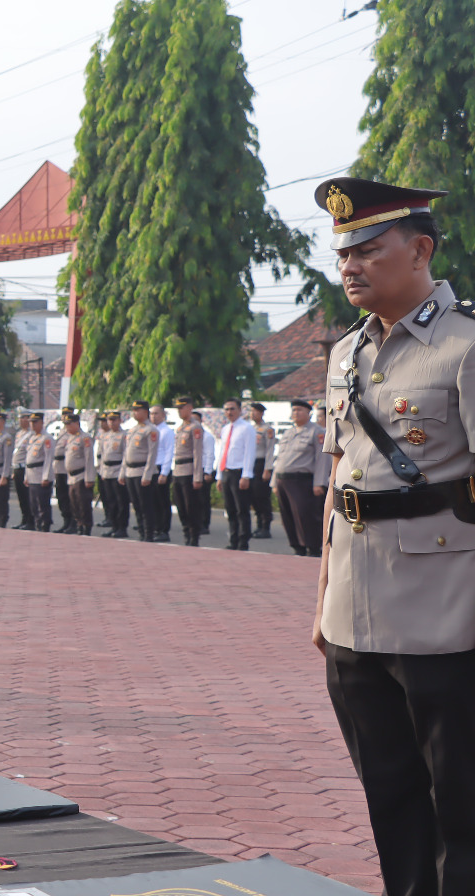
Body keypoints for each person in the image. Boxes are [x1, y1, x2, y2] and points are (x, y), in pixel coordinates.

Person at [310, 177, 475, 896]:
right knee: (390, 795)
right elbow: (341, 477)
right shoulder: (347, 353)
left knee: (461, 806)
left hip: (447, 612)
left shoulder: (466, 345)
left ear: (420, 250)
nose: (350, 266)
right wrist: (321, 603)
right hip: (355, 611)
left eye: (368, 251)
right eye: (343, 254)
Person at [272, 398, 325, 557]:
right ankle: (297, 546)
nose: (296, 413)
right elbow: (280, 458)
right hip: (283, 479)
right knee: (287, 516)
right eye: (294, 410)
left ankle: (313, 547)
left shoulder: (317, 432)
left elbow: (322, 459)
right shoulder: (288, 432)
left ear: (309, 413)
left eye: (299, 410)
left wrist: (319, 483)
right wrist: (274, 482)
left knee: (306, 515)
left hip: (302, 480)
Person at [215, 397, 256, 550]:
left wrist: (246, 475)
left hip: (239, 473)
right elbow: (222, 452)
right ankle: (233, 539)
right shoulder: (226, 429)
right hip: (226, 472)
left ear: (240, 410)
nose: (229, 412)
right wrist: (219, 476)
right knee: (230, 509)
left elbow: (249, 453)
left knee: (241, 509)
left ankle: (243, 540)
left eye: (232, 409)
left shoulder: (247, 428)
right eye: (226, 409)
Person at [170, 397, 207, 547]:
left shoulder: (195, 427)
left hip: (189, 471)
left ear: (190, 408)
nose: (179, 411)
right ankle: (186, 532)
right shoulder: (180, 428)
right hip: (178, 471)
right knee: (180, 505)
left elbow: (198, 453)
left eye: (182, 407)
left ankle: (194, 536)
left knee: (191, 506)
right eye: (178, 408)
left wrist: (197, 476)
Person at [122, 400, 158, 541]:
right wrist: (123, 472)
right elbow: (126, 453)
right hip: (131, 471)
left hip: (143, 471)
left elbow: (152, 454)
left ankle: (149, 533)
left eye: (138, 410)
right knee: (136, 505)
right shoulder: (132, 430)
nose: (135, 413)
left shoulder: (151, 430)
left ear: (145, 411)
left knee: (146, 505)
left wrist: (147, 475)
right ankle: (141, 532)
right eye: (133, 410)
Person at [62, 412, 96, 535]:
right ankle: (79, 525)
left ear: (77, 423)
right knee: (74, 504)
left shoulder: (84, 438)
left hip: (81, 476)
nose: (67, 427)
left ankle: (86, 527)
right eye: (66, 425)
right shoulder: (70, 438)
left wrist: (89, 478)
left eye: (69, 424)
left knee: (83, 504)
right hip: (71, 477)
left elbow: (89, 459)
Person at [99, 411, 131, 538]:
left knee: (121, 501)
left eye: (114, 420)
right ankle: (113, 526)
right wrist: (101, 471)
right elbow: (102, 455)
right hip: (107, 471)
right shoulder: (105, 436)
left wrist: (122, 473)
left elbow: (125, 455)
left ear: (120, 421)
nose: (111, 422)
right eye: (109, 420)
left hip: (118, 470)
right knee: (110, 501)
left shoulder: (124, 435)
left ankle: (122, 528)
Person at [248, 401, 277, 539]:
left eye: (255, 411)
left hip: (261, 465)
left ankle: (266, 526)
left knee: (262, 496)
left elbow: (270, 450)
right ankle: (259, 525)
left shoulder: (268, 429)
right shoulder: (250, 428)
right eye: (251, 411)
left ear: (261, 413)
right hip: (251, 465)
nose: (252, 414)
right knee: (253, 496)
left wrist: (268, 469)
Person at [23, 412, 55, 532]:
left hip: (41, 475)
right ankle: (37, 524)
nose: (32, 425)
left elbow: (48, 459)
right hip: (32, 476)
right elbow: (28, 459)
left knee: (43, 504)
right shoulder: (32, 438)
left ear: (42, 422)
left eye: (35, 422)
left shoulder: (47, 438)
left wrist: (46, 477)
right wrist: (26, 476)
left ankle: (44, 526)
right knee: (34, 505)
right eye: (31, 422)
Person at [149, 404, 175, 542]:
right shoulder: (150, 430)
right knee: (152, 501)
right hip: (150, 468)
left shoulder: (167, 431)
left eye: (156, 413)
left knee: (162, 502)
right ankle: (155, 528)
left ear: (163, 415)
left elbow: (168, 453)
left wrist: (164, 473)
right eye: (151, 413)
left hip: (160, 468)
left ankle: (164, 530)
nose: (153, 416)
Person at [53, 406, 76, 533]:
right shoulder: (62, 431)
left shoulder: (74, 433)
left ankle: (73, 523)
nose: (65, 416)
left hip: (67, 469)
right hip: (58, 468)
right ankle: (66, 521)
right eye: (63, 414)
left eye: (68, 414)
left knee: (69, 498)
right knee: (61, 497)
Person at [11, 410, 34, 529]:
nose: (20, 420)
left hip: (25, 469)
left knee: (27, 496)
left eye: (23, 418)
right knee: (20, 496)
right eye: (20, 418)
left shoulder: (31, 434)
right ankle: (24, 519)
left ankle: (30, 521)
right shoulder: (19, 434)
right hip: (17, 468)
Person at [196, 410, 215, 534]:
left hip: (203, 469)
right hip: (192, 469)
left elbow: (209, 455)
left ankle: (204, 524)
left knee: (203, 499)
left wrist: (208, 472)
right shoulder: (190, 434)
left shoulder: (207, 436)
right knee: (193, 499)